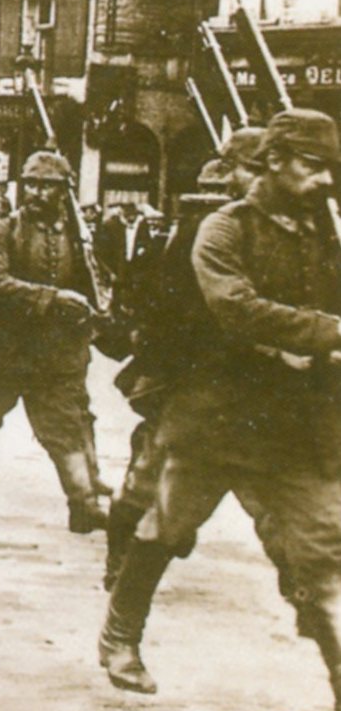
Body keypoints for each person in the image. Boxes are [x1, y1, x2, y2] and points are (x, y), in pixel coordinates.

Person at [100, 110, 341, 711]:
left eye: (330, 170)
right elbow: (236, 309)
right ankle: (120, 635)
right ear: (277, 160)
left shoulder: (325, 234)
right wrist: (327, 332)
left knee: (324, 551)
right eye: (313, 167)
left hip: (296, 428)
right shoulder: (223, 228)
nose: (324, 181)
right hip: (217, 419)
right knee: (167, 530)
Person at [103, 128, 264, 592]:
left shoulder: (278, 234)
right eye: (250, 172)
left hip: (257, 392)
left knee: (274, 500)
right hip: (193, 380)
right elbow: (164, 305)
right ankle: (121, 560)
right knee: (148, 480)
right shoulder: (202, 231)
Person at [0, 150, 108, 532]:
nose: (38, 193)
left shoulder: (77, 233)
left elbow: (95, 281)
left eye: (48, 186)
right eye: (32, 184)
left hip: (55, 350)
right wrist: (54, 298)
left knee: (65, 427)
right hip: (6, 347)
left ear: (64, 191)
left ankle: (82, 504)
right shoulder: (3, 227)